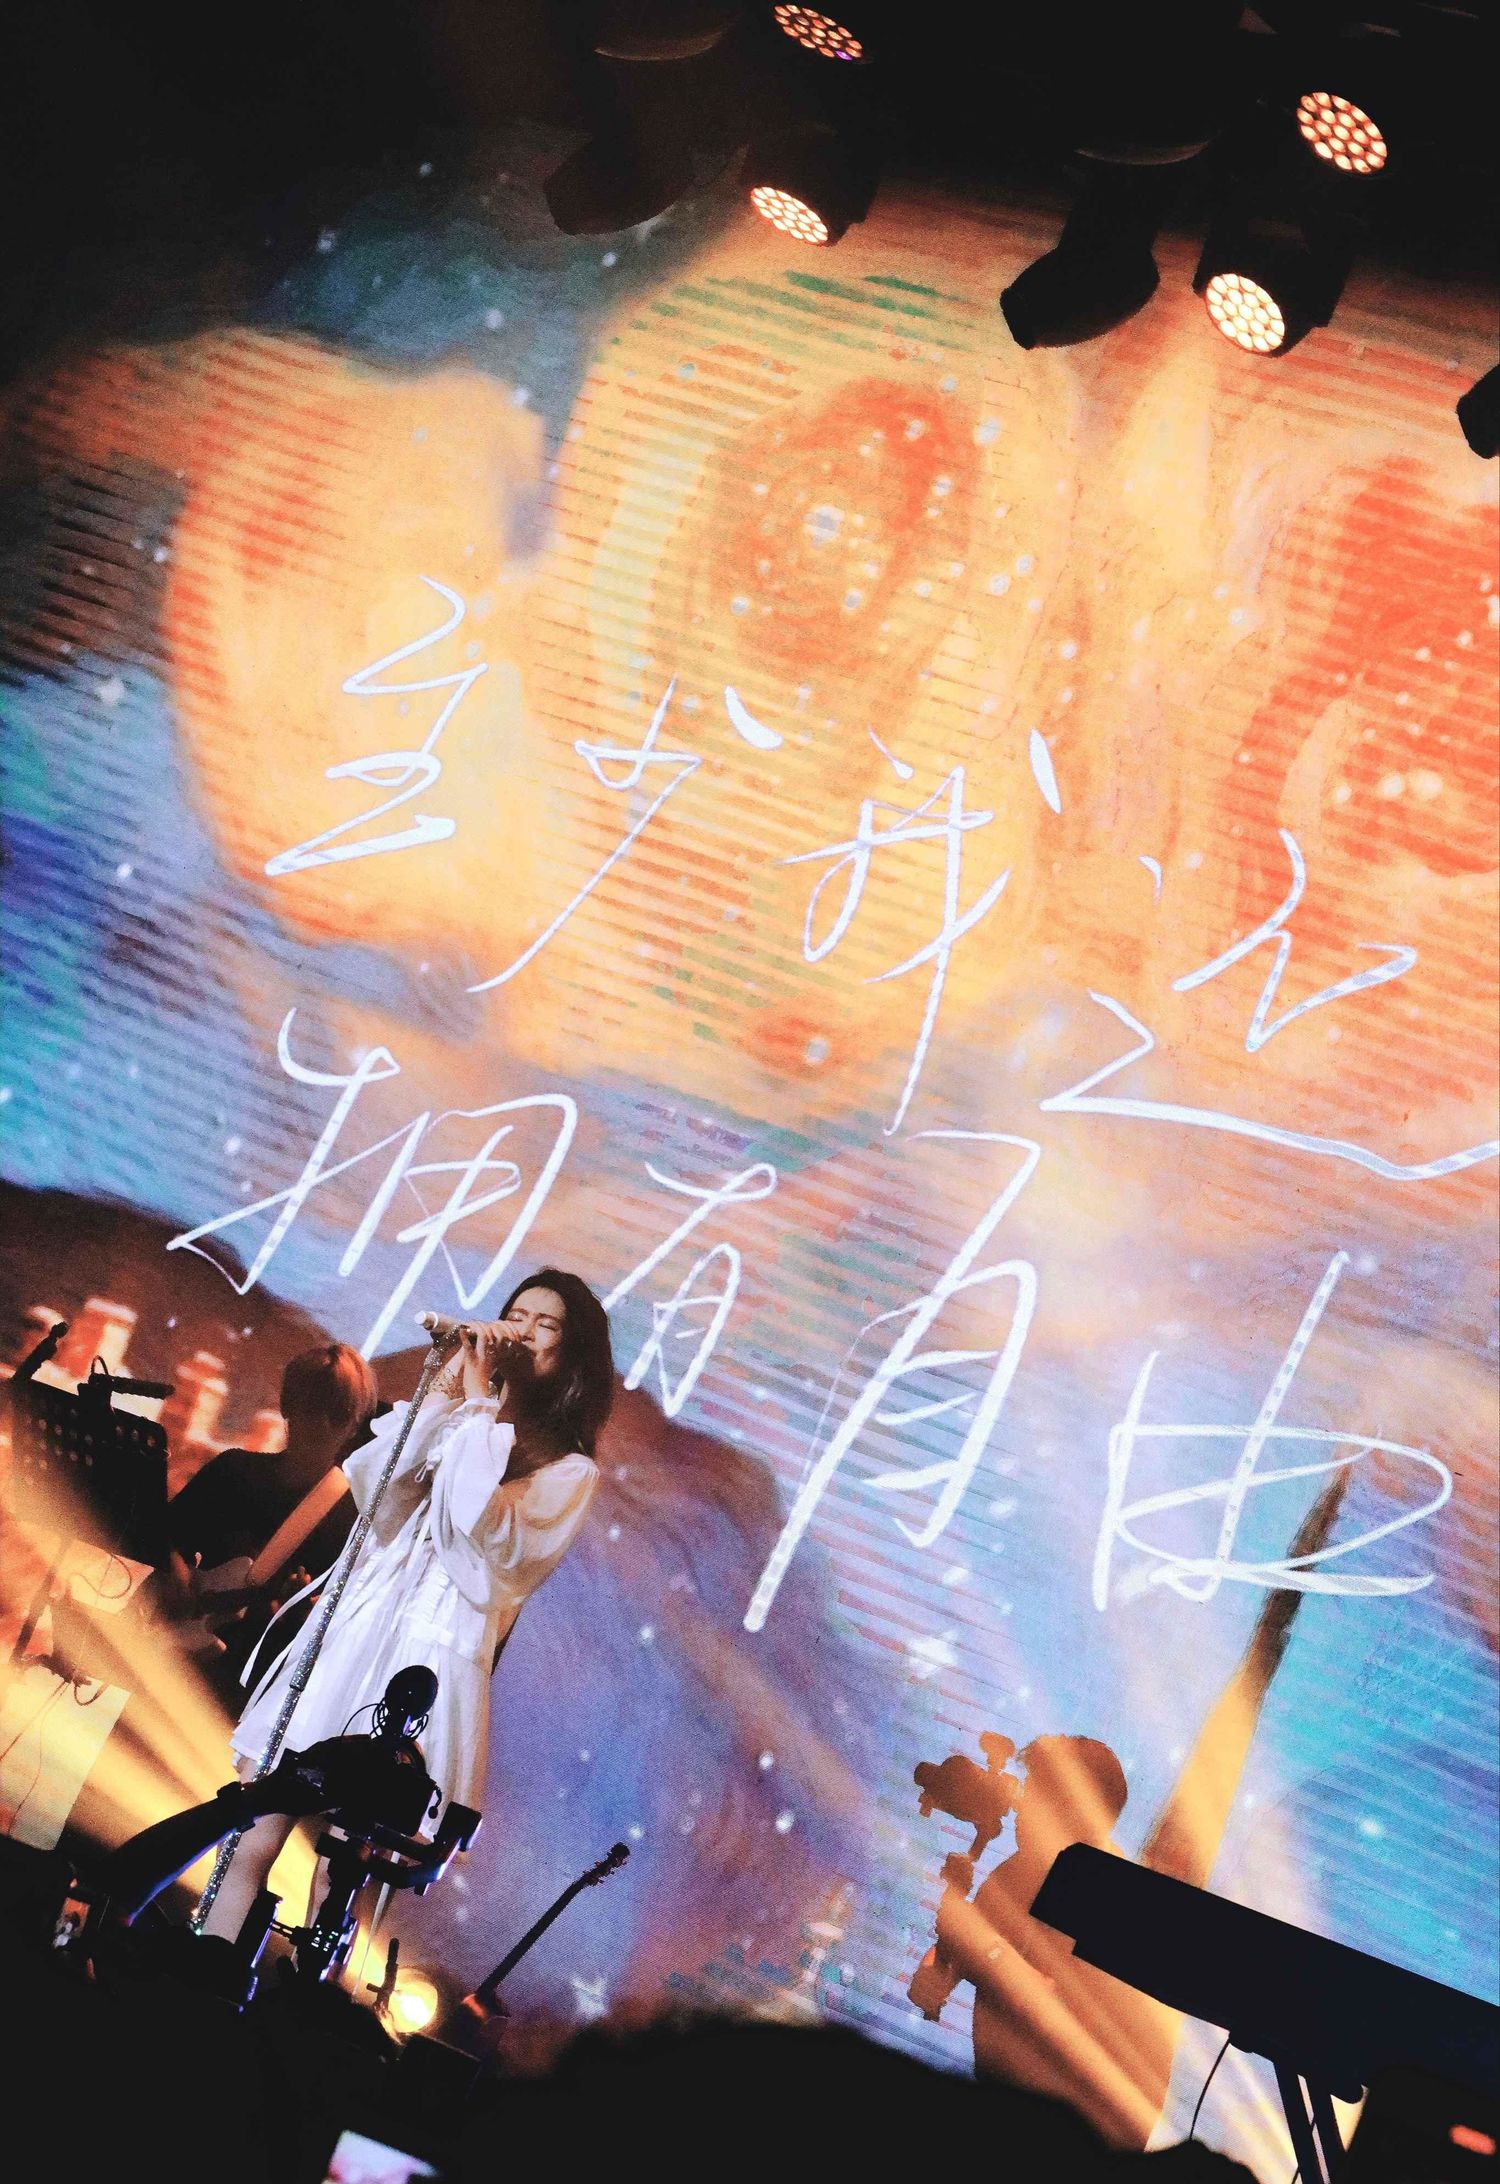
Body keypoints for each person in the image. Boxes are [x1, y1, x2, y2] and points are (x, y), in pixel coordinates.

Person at [198, 1269, 613, 1942]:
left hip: (429, 1658)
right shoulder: (461, 1418)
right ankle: (205, 1959)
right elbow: (381, 1497)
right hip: (361, 1623)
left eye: (545, 1326)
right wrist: (449, 1388)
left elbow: (485, 1531)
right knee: (254, 1827)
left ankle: (301, 1989)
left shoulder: (569, 1471)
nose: (522, 1331)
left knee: (343, 1868)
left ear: (572, 1356)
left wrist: (477, 1407)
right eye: (516, 1315)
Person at [160, 1344, 379, 1695]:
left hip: (251, 1687)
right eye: (313, 1406)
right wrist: (179, 1580)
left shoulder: (353, 1523)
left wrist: (301, 1614)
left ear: (354, 1427)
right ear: (287, 1404)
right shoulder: (232, 1470)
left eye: (337, 1414)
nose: (322, 1425)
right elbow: (162, 1535)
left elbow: (344, 1625)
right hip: (168, 1660)